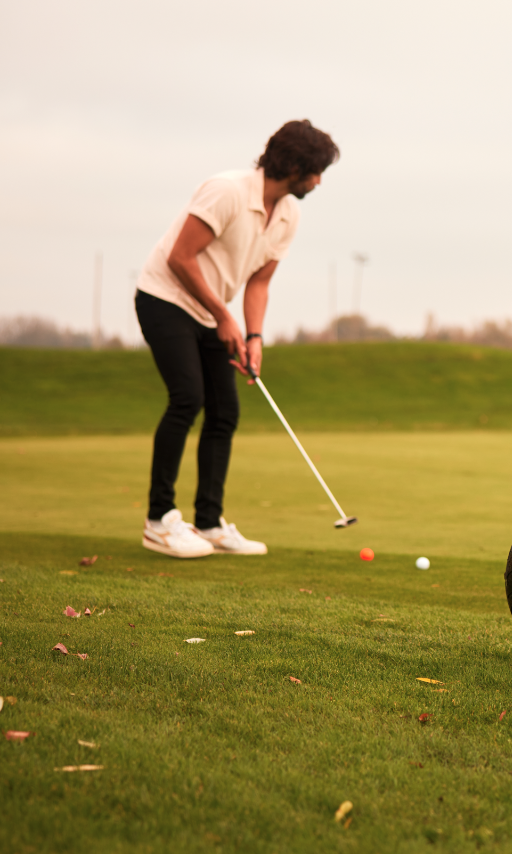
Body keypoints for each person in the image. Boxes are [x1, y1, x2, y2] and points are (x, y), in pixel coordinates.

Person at [134, 120, 339, 558]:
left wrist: (255, 336)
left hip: (211, 311)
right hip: (164, 297)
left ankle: (208, 523)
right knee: (187, 398)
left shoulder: (288, 213)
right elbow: (180, 258)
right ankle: (159, 521)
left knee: (224, 412)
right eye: (316, 171)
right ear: (295, 164)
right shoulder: (227, 191)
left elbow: (260, 283)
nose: (319, 181)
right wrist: (223, 316)